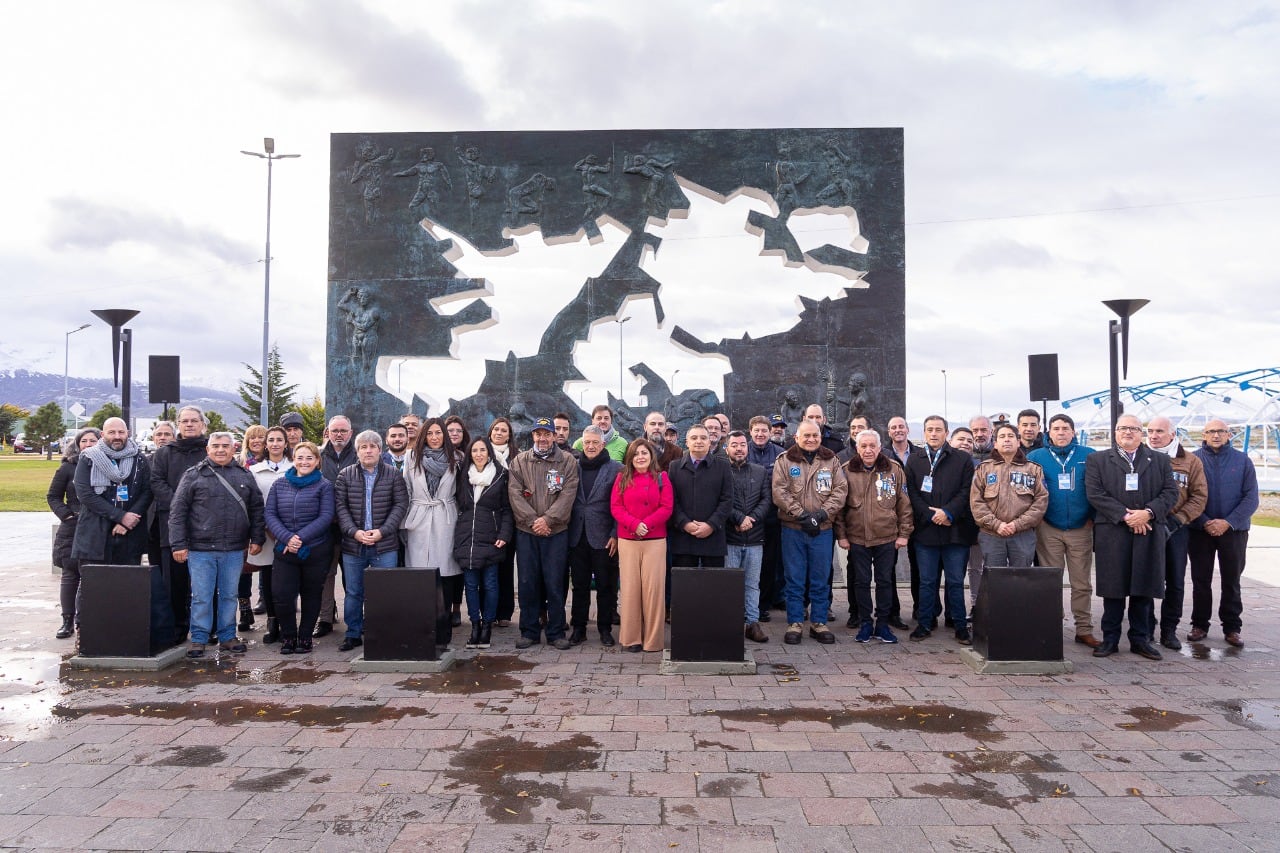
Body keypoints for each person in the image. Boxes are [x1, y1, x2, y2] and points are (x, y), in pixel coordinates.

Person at [1084, 414, 1180, 660]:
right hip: (1113, 531)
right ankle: (1110, 640)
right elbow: (1095, 494)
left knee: (1143, 588)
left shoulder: (1158, 460)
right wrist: (1127, 517)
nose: (1128, 432)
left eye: (1134, 428)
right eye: (1123, 428)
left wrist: (1147, 513)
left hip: (1148, 530)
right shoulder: (1098, 460)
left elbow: (1170, 492)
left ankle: (1140, 640)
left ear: (1142, 433)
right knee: (1113, 590)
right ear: (1115, 432)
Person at [169, 431, 266, 658]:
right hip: (200, 549)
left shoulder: (244, 475)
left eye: (225, 446)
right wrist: (178, 544)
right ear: (208, 449)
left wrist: (257, 538)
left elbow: (256, 509)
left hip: (233, 548)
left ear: (234, 449)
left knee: (229, 595)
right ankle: (199, 638)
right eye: (216, 446)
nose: (220, 450)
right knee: (201, 596)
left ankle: (228, 637)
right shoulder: (193, 476)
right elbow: (178, 512)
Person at [73, 417, 167, 649]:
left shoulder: (139, 459)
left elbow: (147, 492)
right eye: (111, 432)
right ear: (103, 434)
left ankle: (122, 632)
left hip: (129, 534)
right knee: (92, 585)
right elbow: (85, 494)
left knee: (126, 584)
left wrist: (128, 520)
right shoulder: (88, 458)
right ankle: (84, 631)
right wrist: (118, 516)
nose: (117, 436)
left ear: (128, 433)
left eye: (121, 432)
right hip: (95, 533)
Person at [772, 420, 848, 645]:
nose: (811, 439)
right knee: (794, 578)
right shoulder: (785, 460)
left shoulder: (831, 460)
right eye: (806, 436)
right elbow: (780, 491)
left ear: (820, 437)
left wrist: (822, 515)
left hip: (822, 530)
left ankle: (819, 622)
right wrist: (803, 515)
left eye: (815, 435)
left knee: (820, 578)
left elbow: (840, 490)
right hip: (793, 528)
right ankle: (795, 622)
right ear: (796, 437)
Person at [1028, 414, 1100, 648]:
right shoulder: (1036, 457)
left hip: (1081, 527)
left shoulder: (1088, 455)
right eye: (1056, 428)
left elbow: (1099, 489)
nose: (1061, 432)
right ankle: (1052, 627)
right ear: (1048, 432)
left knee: (1081, 583)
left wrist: (1093, 518)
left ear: (1073, 431)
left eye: (1065, 428)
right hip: (1048, 527)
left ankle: (1084, 629)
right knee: (1051, 580)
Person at [905, 416, 978, 645]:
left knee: (956, 581)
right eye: (929, 430)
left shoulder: (962, 459)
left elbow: (967, 491)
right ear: (924, 433)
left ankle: (959, 626)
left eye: (938, 430)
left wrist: (947, 513)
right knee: (927, 581)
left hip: (955, 531)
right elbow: (912, 493)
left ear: (946, 432)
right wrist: (930, 514)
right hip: (926, 531)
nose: (934, 434)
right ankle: (925, 623)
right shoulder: (914, 460)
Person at [508, 417, 579, 650]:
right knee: (528, 583)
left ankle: (556, 632)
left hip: (556, 532)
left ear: (554, 436)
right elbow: (515, 494)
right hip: (526, 532)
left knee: (555, 582)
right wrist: (533, 521)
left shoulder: (567, 461)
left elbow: (568, 493)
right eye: (538, 434)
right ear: (533, 436)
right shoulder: (519, 461)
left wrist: (547, 520)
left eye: (547, 434)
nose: (542, 438)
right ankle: (529, 631)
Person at [335, 430, 409, 653]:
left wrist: (383, 531)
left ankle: (383, 631)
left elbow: (400, 505)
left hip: (384, 544)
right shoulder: (345, 475)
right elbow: (341, 508)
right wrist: (354, 532)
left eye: (372, 446)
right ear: (357, 451)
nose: (368, 451)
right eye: (363, 447)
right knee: (354, 591)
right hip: (353, 544)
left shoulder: (393, 475)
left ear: (379, 449)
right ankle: (353, 633)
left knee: (385, 591)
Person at [836, 429, 912, 644]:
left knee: (885, 581)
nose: (868, 450)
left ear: (880, 447)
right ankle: (865, 623)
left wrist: (904, 534)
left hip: (886, 537)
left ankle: (883, 624)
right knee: (861, 582)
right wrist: (841, 535)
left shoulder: (894, 470)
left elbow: (904, 505)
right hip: (857, 538)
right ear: (857, 448)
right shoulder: (846, 471)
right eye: (864, 446)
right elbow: (839, 509)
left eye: (872, 446)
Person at [1188, 419, 1259, 648]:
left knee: (1232, 579)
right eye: (1211, 431)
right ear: (1204, 434)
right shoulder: (1193, 460)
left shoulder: (1243, 460)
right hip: (1201, 529)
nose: (1216, 435)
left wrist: (1228, 522)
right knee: (1201, 580)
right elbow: (1186, 496)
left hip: (1234, 530)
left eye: (1220, 431)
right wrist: (1205, 521)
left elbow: (1251, 498)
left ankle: (1232, 628)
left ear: (1229, 434)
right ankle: (1199, 624)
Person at [265, 441, 335, 655]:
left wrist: (300, 538)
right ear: (293, 460)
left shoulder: (324, 486)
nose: (304, 462)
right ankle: (288, 637)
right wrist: (288, 538)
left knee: (311, 594)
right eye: (300, 457)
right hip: (285, 550)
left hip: (315, 549)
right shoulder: (279, 484)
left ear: (317, 461)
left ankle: (304, 638)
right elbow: (270, 514)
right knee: (282, 595)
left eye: (309, 458)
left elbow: (326, 516)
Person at [1145, 416, 1208, 651]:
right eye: (1150, 431)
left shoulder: (1190, 461)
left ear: (1172, 434)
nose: (1153, 435)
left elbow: (1199, 496)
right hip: (1147, 525)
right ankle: (1146, 628)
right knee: (1146, 579)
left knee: (1175, 581)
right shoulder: (1139, 458)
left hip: (1176, 529)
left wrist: (1178, 520)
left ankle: (1169, 630)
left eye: (1159, 431)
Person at [402, 418, 464, 648]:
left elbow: (461, 492)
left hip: (446, 517)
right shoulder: (411, 457)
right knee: (419, 576)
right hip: (418, 518)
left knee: (445, 575)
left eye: (439, 433)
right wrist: (403, 524)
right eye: (430, 433)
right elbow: (406, 488)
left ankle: (443, 629)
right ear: (424, 436)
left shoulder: (457, 458)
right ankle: (421, 628)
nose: (435, 437)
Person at [151, 405, 209, 641]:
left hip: (205, 525)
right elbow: (156, 482)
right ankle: (177, 627)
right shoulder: (164, 454)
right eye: (184, 421)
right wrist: (180, 503)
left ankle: (206, 628)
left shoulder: (210, 451)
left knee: (205, 583)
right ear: (179, 425)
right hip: (172, 527)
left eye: (194, 421)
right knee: (174, 582)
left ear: (203, 424)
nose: (189, 424)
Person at [611, 438, 674, 653]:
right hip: (628, 539)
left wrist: (646, 524)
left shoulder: (662, 478)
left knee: (653, 591)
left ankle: (653, 641)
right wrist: (634, 524)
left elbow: (667, 507)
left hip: (655, 540)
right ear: (630, 457)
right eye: (636, 453)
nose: (640, 457)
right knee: (630, 590)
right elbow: (615, 507)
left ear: (651, 456)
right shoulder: (621, 478)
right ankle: (631, 638)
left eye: (644, 453)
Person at [454, 436, 513, 649]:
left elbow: (507, 509)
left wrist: (504, 535)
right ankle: (475, 625)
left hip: (491, 537)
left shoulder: (501, 475)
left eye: (483, 450)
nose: (479, 454)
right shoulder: (462, 476)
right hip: (467, 538)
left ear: (489, 452)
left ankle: (487, 625)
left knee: (490, 584)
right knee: (470, 585)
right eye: (475, 450)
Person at [567, 426, 623, 645]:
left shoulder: (616, 469)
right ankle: (578, 628)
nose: (590, 446)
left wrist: (615, 533)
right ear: (582, 444)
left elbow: (621, 504)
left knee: (605, 586)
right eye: (587, 442)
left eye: (595, 443)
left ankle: (604, 629)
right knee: (579, 586)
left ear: (603, 445)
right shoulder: (573, 466)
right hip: (577, 536)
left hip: (604, 537)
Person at [969, 422, 1048, 572]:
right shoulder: (983, 469)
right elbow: (976, 502)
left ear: (1018, 442)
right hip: (991, 534)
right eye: (1002, 436)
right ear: (995, 443)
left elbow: (1041, 501)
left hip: (1022, 535)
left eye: (1011, 436)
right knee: (994, 580)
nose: (1007, 439)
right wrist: (997, 524)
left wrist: (1017, 525)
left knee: (1021, 579)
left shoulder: (1033, 469)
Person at [48, 427, 100, 639]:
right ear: (78, 444)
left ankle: (89, 620)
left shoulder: (107, 466)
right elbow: (53, 496)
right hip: (73, 527)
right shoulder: (67, 468)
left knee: (94, 575)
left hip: (98, 526)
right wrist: (67, 516)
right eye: (84, 441)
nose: (88, 444)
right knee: (71, 575)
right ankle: (67, 620)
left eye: (92, 440)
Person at [724, 431, 771, 643]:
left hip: (755, 538)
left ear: (748, 447)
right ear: (727, 449)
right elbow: (722, 500)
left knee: (753, 584)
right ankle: (732, 623)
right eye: (734, 445)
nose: (739, 448)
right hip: (730, 537)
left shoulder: (760, 471)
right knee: (730, 583)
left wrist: (750, 519)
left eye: (742, 444)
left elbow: (766, 500)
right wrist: (738, 518)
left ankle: (752, 623)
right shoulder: (721, 471)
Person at [667, 424, 733, 568]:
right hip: (683, 538)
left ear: (710, 442)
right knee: (685, 587)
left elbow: (727, 500)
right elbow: (672, 500)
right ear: (686, 442)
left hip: (713, 538)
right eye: (694, 438)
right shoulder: (675, 467)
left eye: (703, 438)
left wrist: (711, 525)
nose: (699, 441)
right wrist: (685, 523)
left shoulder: (723, 466)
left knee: (712, 588)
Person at [248, 426, 291, 644]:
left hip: (288, 532)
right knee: (267, 578)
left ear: (286, 444)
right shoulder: (255, 470)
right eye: (271, 440)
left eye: (279, 440)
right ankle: (272, 622)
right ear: (266, 444)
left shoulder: (294, 467)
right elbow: (253, 503)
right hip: (265, 531)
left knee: (287, 581)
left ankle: (287, 623)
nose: (275, 444)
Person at [315, 415, 356, 638]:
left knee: (352, 575)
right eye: (335, 430)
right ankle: (325, 618)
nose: (338, 434)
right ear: (327, 432)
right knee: (326, 574)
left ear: (350, 433)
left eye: (343, 430)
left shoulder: (359, 454)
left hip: (352, 525)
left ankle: (355, 618)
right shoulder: (318, 456)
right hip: (326, 526)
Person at [748, 416, 786, 621]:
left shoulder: (780, 454)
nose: (761, 434)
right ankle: (751, 603)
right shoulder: (744, 451)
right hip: (750, 518)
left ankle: (764, 603)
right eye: (757, 430)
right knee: (753, 564)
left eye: (764, 430)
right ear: (750, 432)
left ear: (770, 432)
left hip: (772, 517)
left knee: (770, 562)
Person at [486, 416, 518, 627]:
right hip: (487, 519)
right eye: (496, 429)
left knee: (506, 566)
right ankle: (488, 610)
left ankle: (505, 613)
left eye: (504, 430)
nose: (499, 433)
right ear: (490, 432)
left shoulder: (516, 457)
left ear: (509, 435)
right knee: (488, 567)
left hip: (511, 517)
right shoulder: (481, 453)